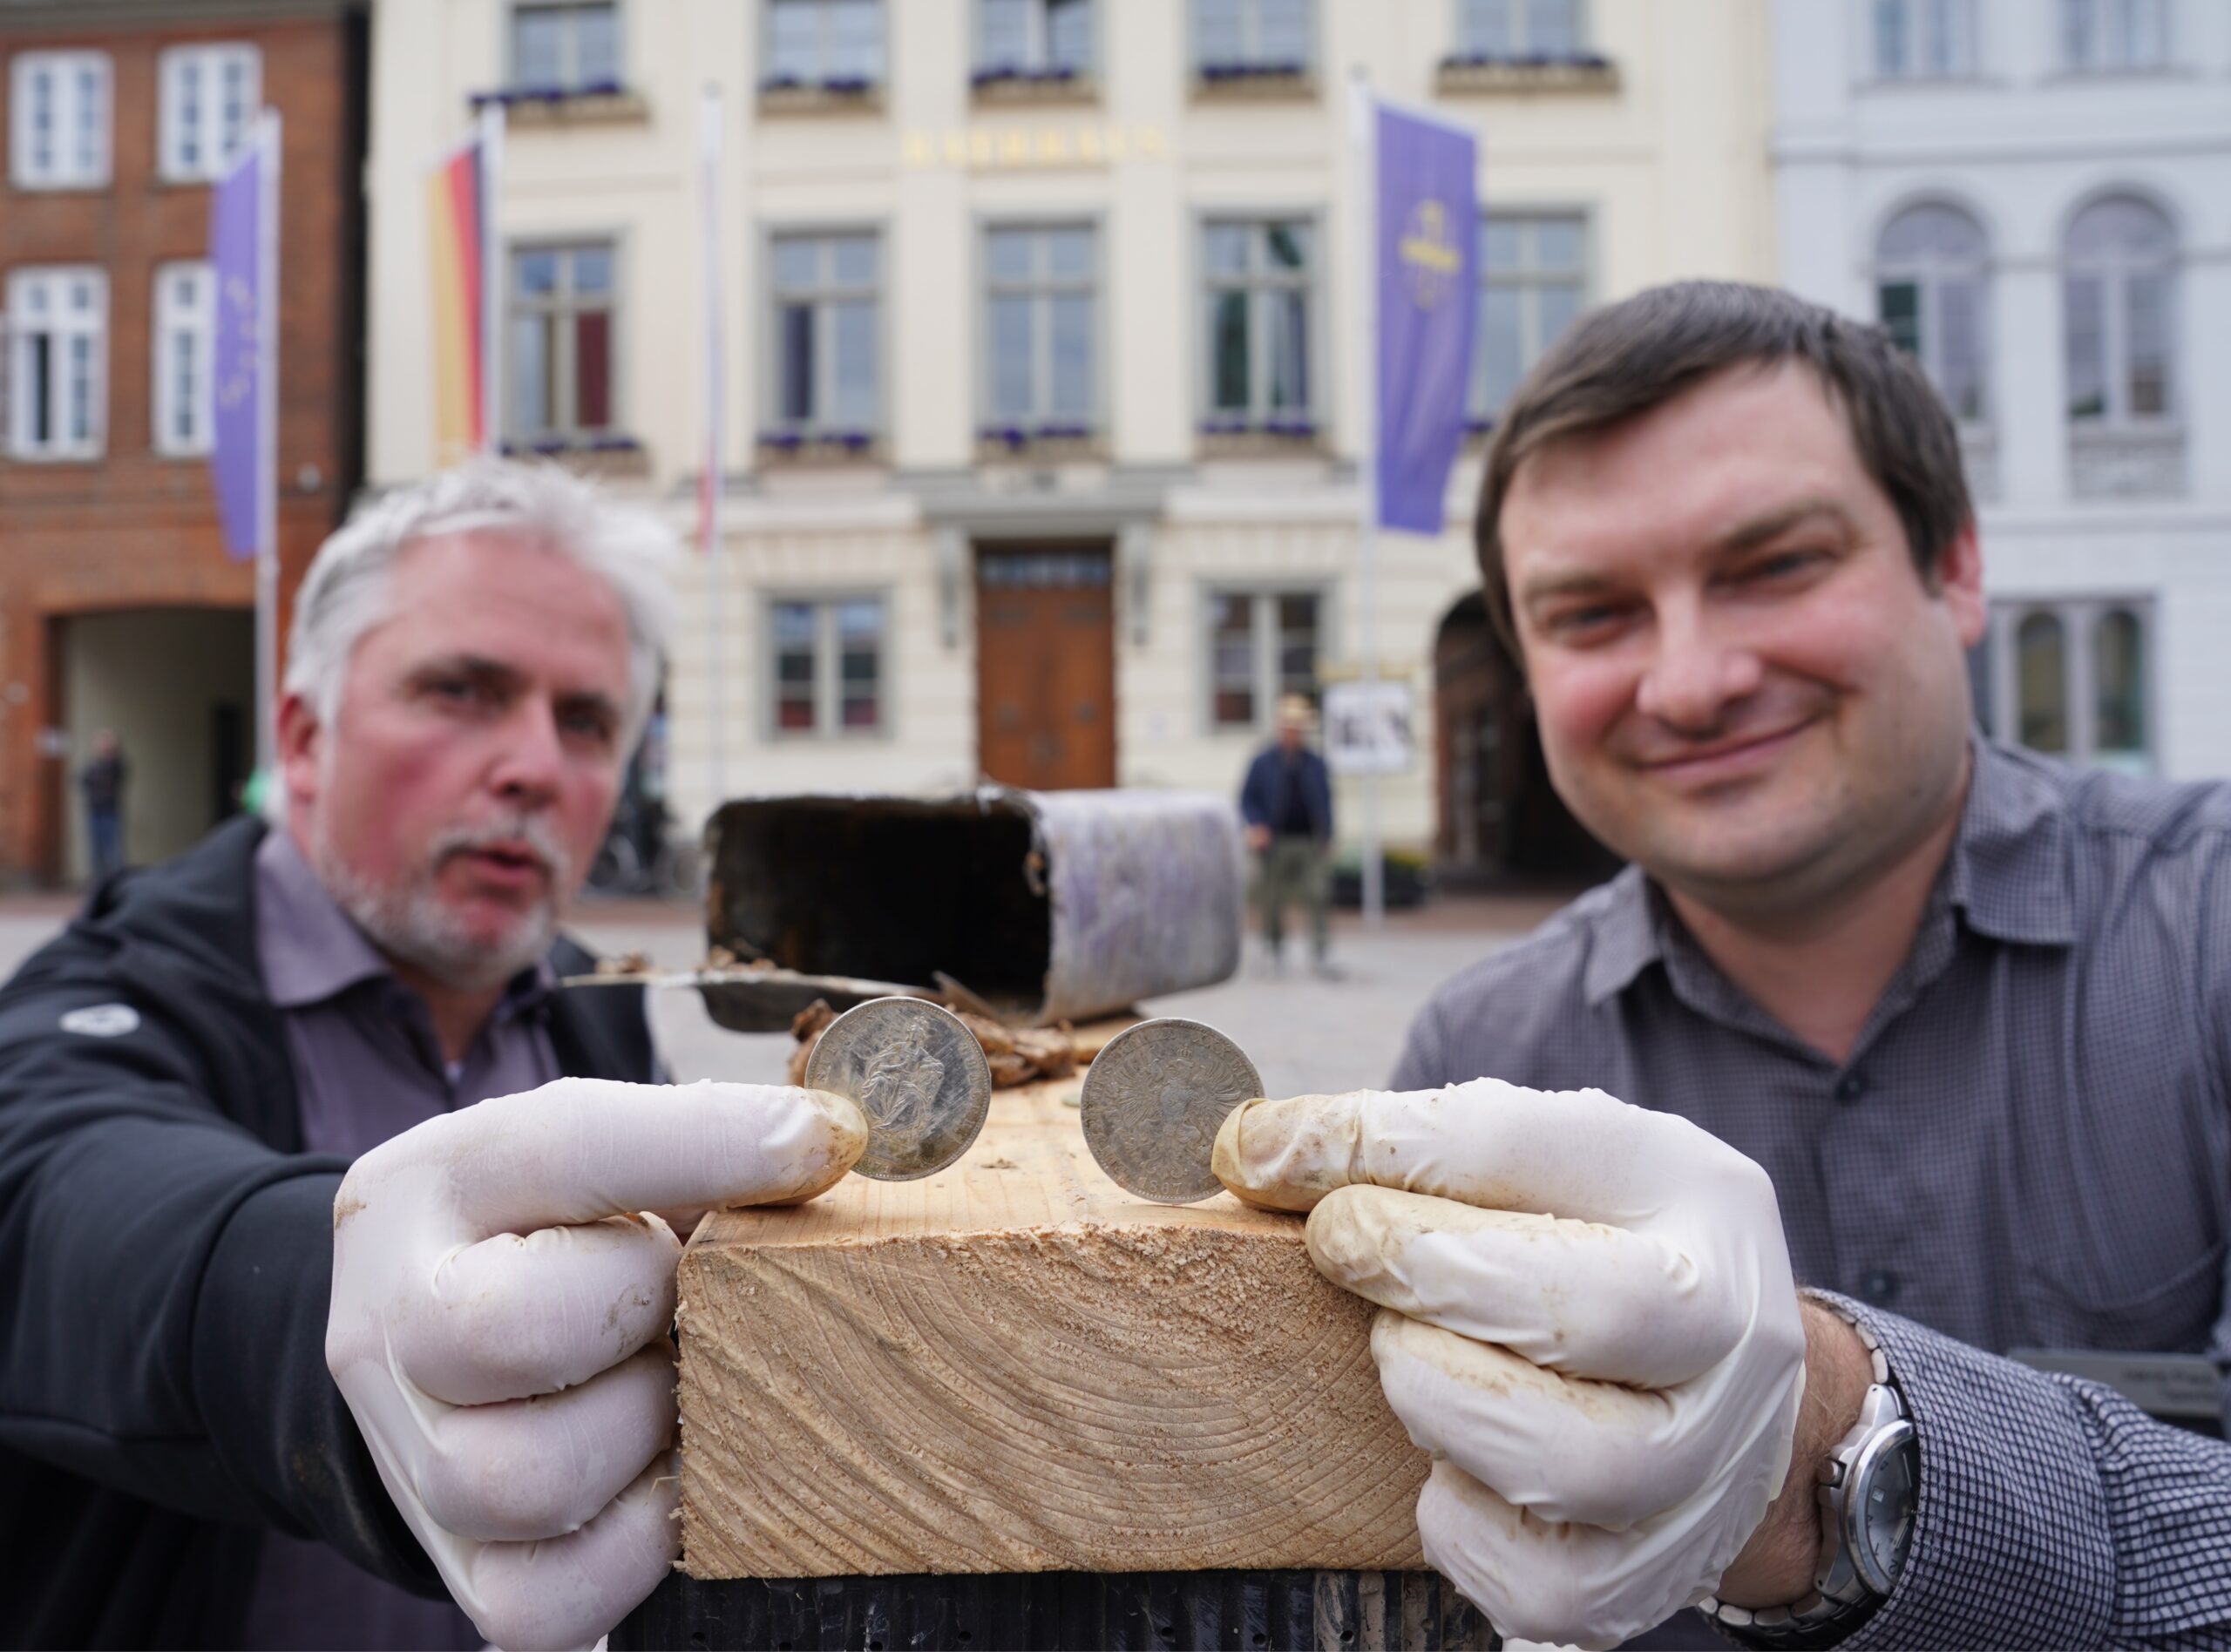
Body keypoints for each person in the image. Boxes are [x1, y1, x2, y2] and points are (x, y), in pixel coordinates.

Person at [1218, 283, 2230, 1649]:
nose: (1688, 682)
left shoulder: (2204, 937)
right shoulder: (1480, 1050)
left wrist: (1857, 1472)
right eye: (1591, 615)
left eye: (1775, 567)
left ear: (1959, 568)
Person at [0, 459, 868, 1649]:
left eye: (586, 721)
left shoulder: (592, 1017)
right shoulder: (114, 997)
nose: (533, 768)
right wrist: (309, 1305)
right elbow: (69, 1205)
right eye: (462, 690)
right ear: (303, 739)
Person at [1238, 693, 1335, 975]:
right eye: (1289, 726)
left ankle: (1320, 952)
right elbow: (1247, 799)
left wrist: (1328, 834)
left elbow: (1326, 800)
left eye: (1298, 726)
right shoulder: (1263, 762)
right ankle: (1273, 949)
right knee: (1272, 898)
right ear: (1281, 728)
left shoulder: (1315, 763)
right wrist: (1257, 825)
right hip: (1275, 842)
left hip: (1308, 840)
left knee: (1318, 894)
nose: (1293, 732)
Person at [78, 727, 126, 881]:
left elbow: (115, 776)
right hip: (95, 812)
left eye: (107, 742)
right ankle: (98, 883)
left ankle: (118, 882)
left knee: (114, 851)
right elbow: (84, 781)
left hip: (111, 812)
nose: (104, 746)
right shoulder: (92, 766)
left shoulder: (116, 764)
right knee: (96, 852)